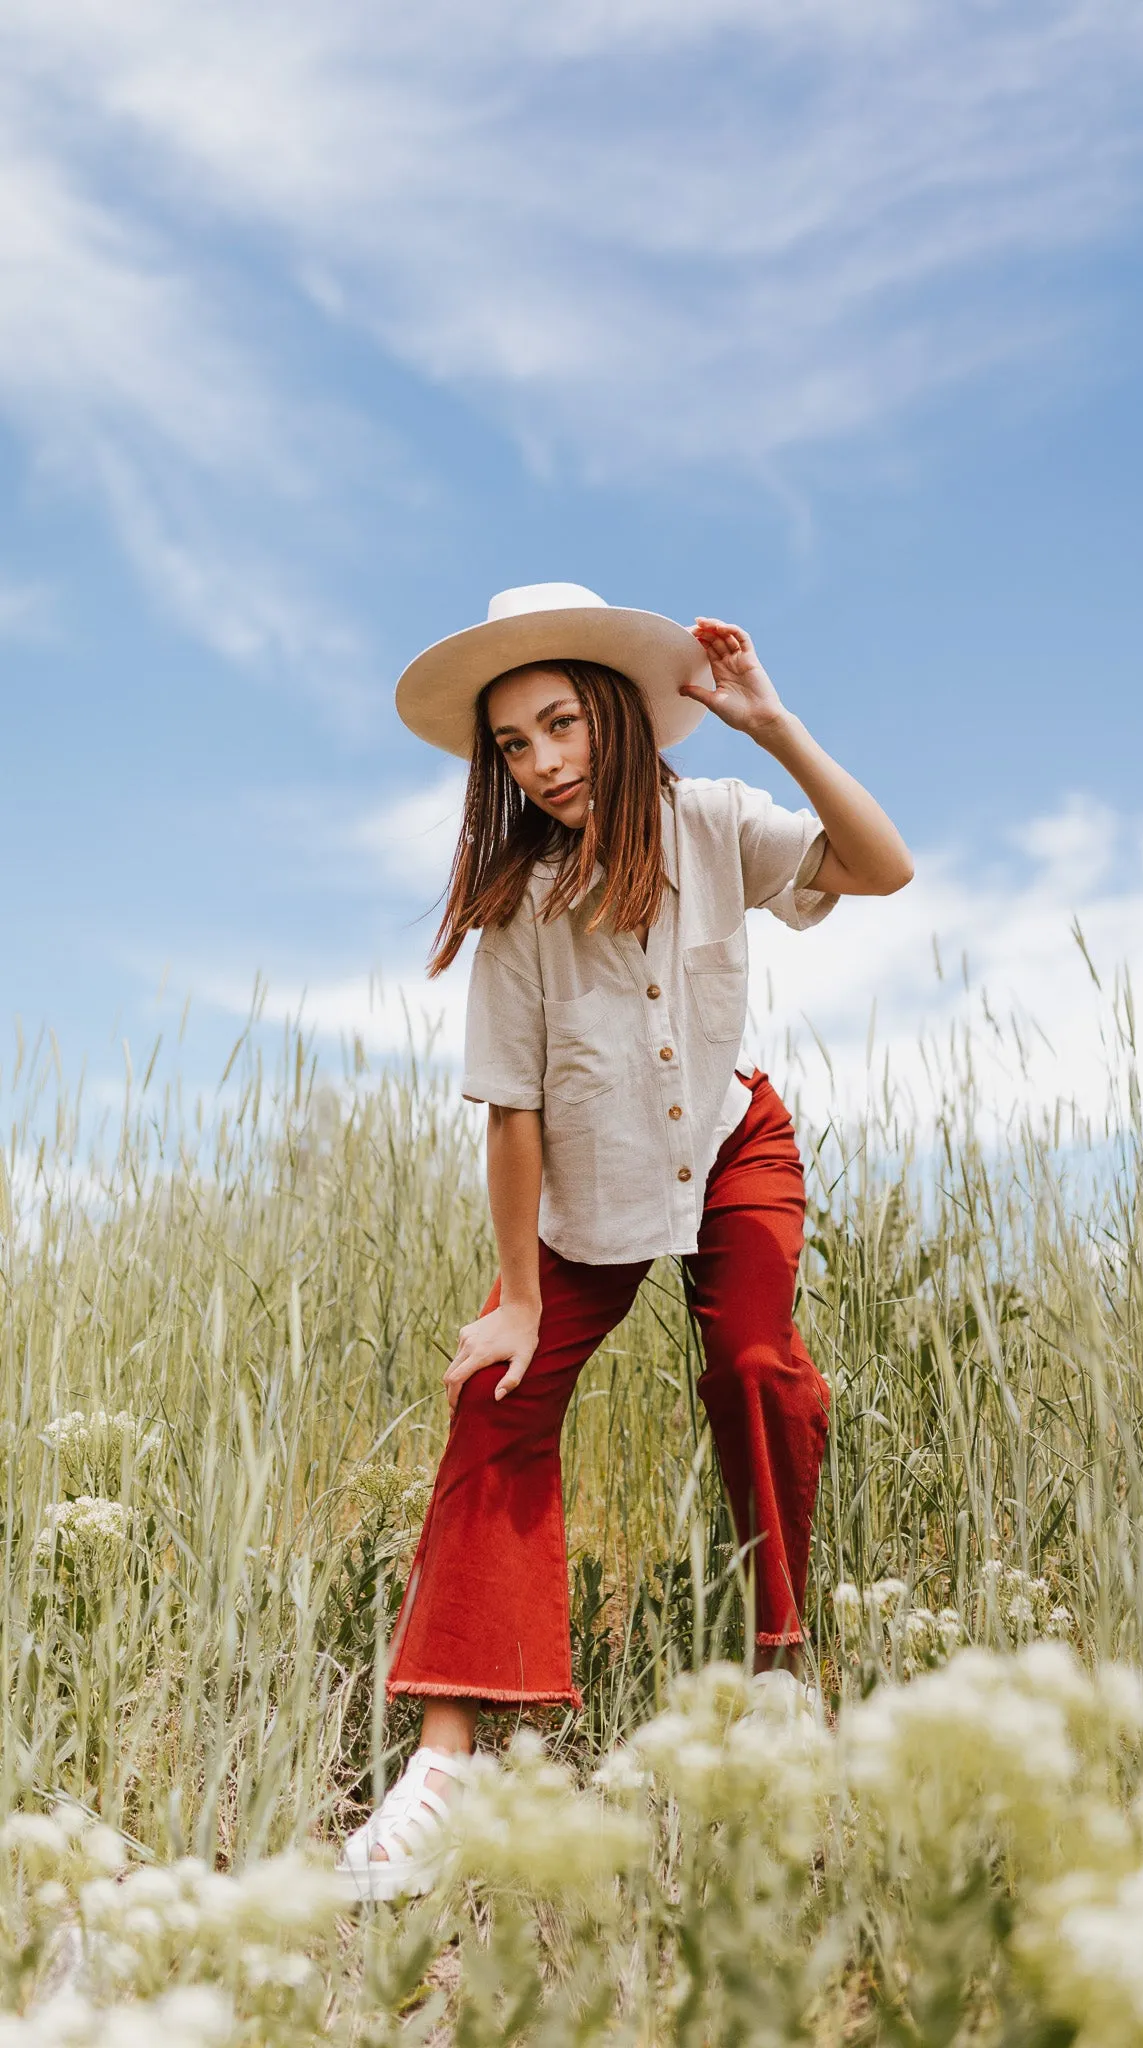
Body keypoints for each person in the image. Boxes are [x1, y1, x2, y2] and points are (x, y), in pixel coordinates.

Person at [339, 583, 912, 1898]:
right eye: (513, 748)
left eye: (559, 726)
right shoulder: (520, 916)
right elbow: (514, 1115)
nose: (542, 765)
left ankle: (779, 1675)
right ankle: (450, 1764)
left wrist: (773, 727)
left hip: (728, 1148)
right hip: (585, 1196)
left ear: (611, 711)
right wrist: (522, 1303)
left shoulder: (716, 825)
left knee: (757, 1365)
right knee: (497, 1398)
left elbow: (883, 866)